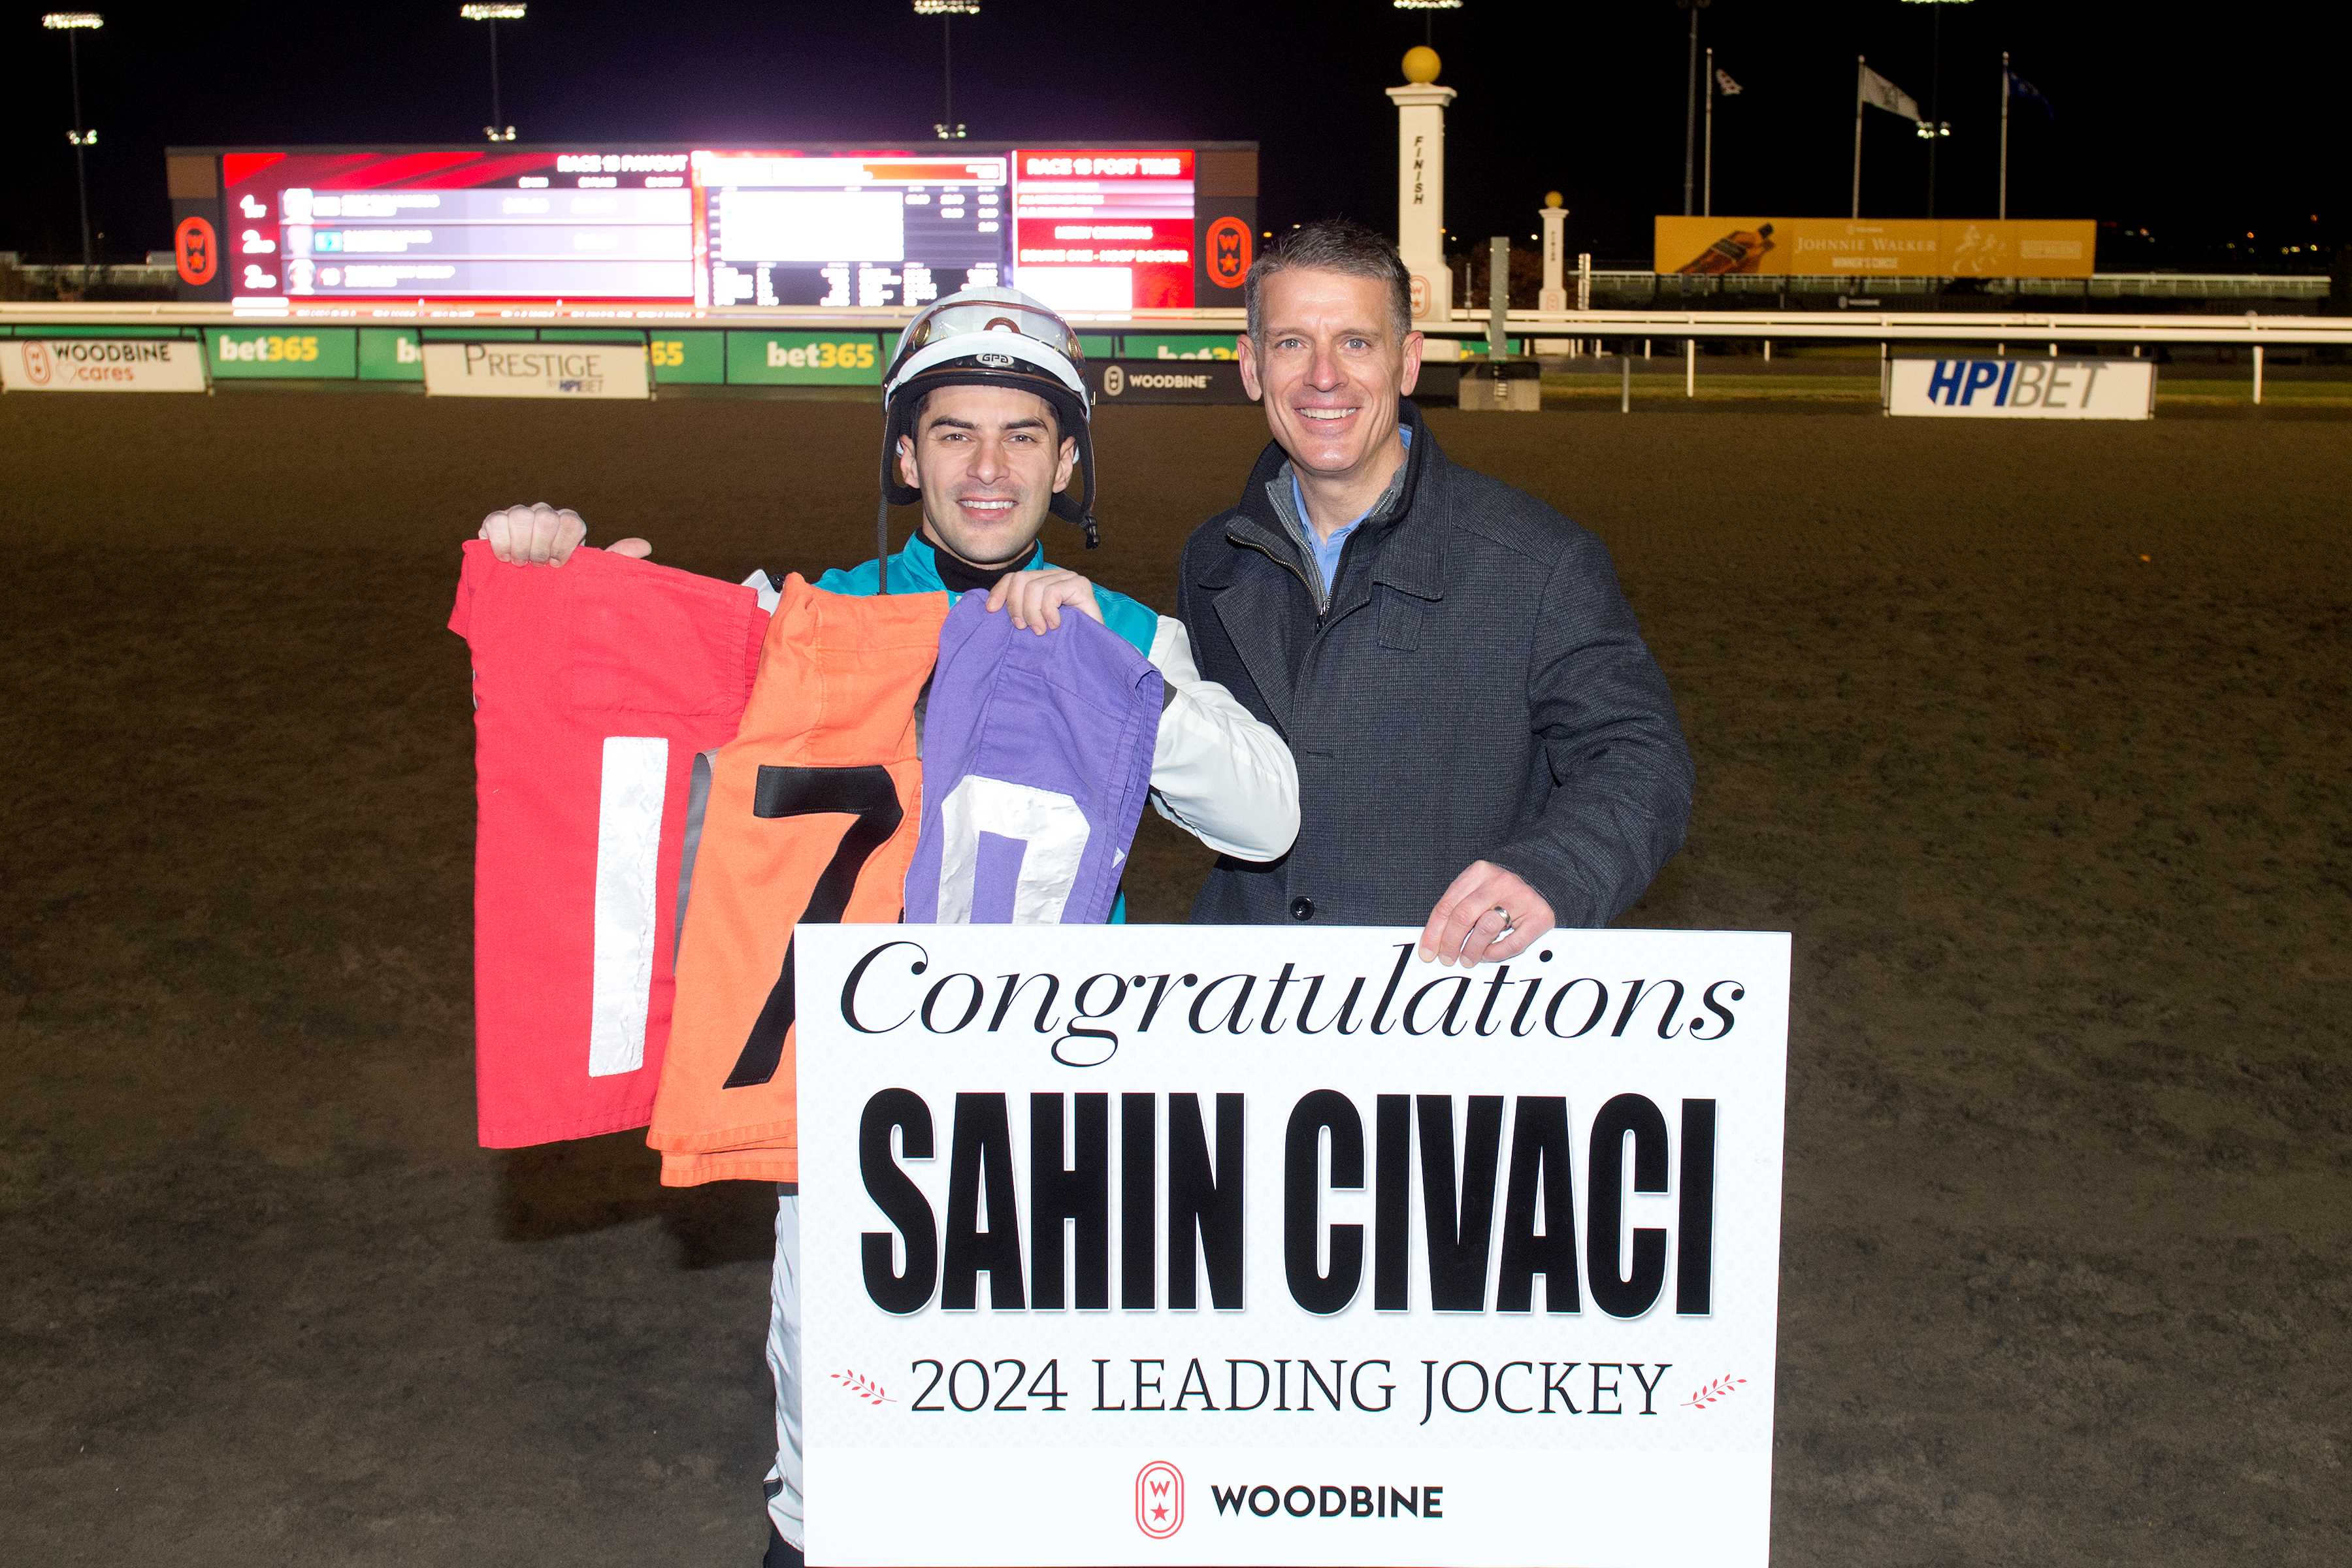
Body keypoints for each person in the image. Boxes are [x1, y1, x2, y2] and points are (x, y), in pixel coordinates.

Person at [471, 287, 1299, 1565]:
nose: (988, 466)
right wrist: (566, 580)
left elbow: (1268, 813)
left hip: (1061, 1129)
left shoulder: (1128, 630)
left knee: (1045, 1486)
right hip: (855, 1126)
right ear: (905, 457)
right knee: (836, 1481)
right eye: (954, 434)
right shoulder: (806, 617)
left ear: (1069, 461)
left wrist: (1107, 671)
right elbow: (642, 706)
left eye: (1024, 436)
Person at [1175, 219, 1693, 967]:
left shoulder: (1541, 560)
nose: (1325, 376)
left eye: (1356, 342)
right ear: (1252, 367)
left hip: (1444, 1005)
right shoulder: (1210, 559)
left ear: (1408, 361)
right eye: (1292, 343)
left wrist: (1556, 869)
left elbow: (1642, 756)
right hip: (1250, 1004)